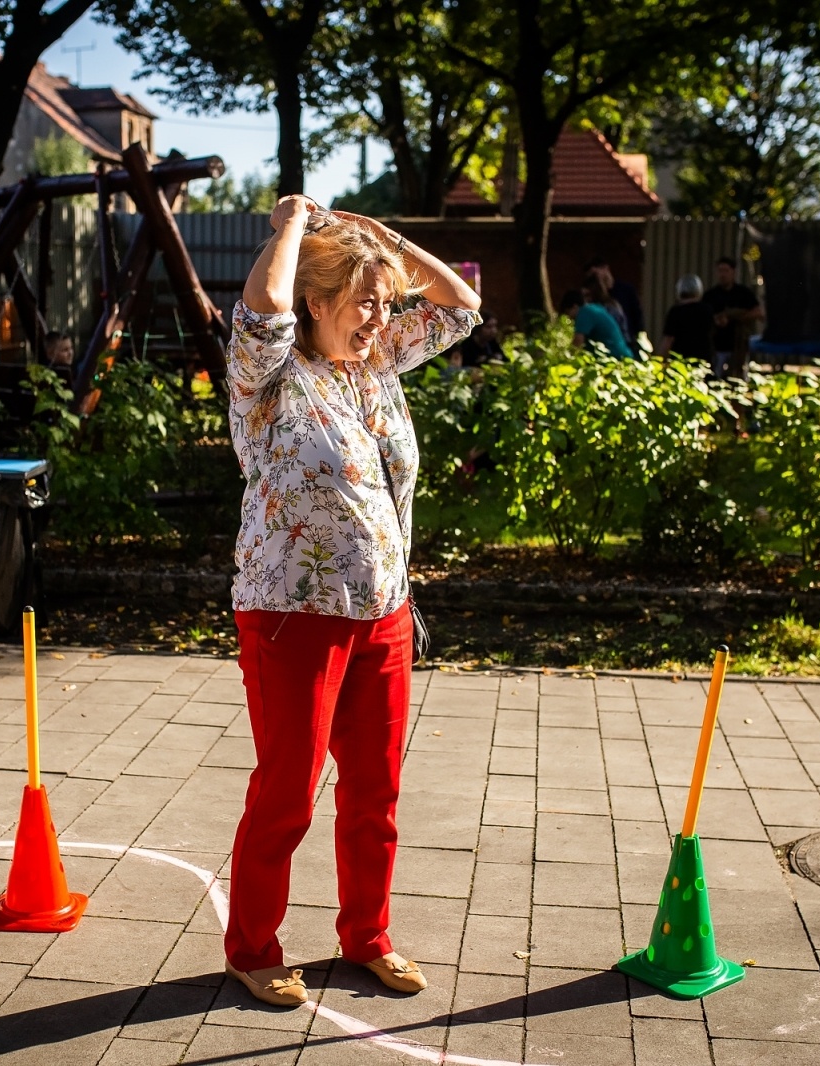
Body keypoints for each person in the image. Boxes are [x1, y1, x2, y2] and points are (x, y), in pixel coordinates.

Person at [223, 196, 481, 1008]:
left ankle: (366, 937)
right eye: (362, 301)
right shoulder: (265, 377)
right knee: (289, 790)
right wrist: (296, 223)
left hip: (384, 613)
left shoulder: (374, 365)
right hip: (293, 618)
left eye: (384, 303)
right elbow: (263, 305)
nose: (378, 317)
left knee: (375, 792)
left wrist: (377, 237)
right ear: (319, 301)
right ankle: (253, 946)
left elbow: (462, 305)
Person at [703, 257, 762, 378]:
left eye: (726, 270)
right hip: (717, 347)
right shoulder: (710, 295)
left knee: (738, 378)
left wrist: (735, 317)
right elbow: (703, 316)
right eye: (720, 271)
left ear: (733, 272)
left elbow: (758, 312)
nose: (722, 274)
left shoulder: (743, 293)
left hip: (738, 346)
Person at [654, 274, 714, 363]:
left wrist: (657, 361)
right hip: (703, 362)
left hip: (680, 363)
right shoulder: (707, 310)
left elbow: (668, 339)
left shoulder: (676, 312)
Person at [586, 256, 644, 345]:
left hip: (627, 339)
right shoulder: (595, 296)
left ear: (605, 268)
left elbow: (636, 316)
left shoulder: (626, 290)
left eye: (595, 274)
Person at [572, 275, 633, 358]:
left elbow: (577, 343)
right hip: (625, 354)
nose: (585, 301)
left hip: (613, 358)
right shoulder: (606, 308)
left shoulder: (588, 310)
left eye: (587, 295)